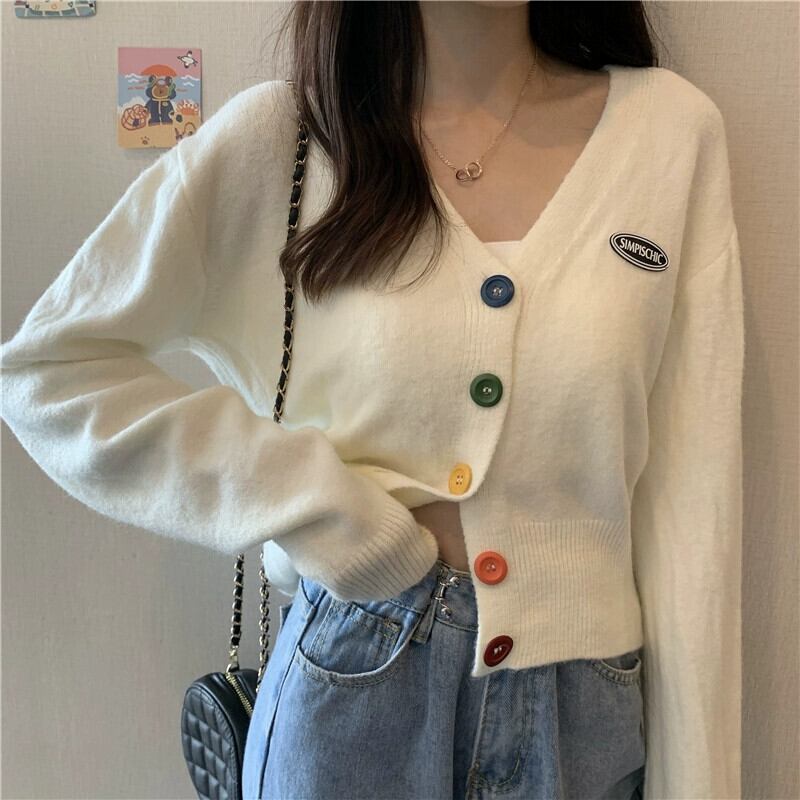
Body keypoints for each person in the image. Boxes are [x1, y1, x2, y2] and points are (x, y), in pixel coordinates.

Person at [0, 2, 744, 799]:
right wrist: (321, 512)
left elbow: (693, 507)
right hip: (350, 688)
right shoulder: (286, 139)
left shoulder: (666, 134)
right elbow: (50, 373)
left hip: (581, 711)